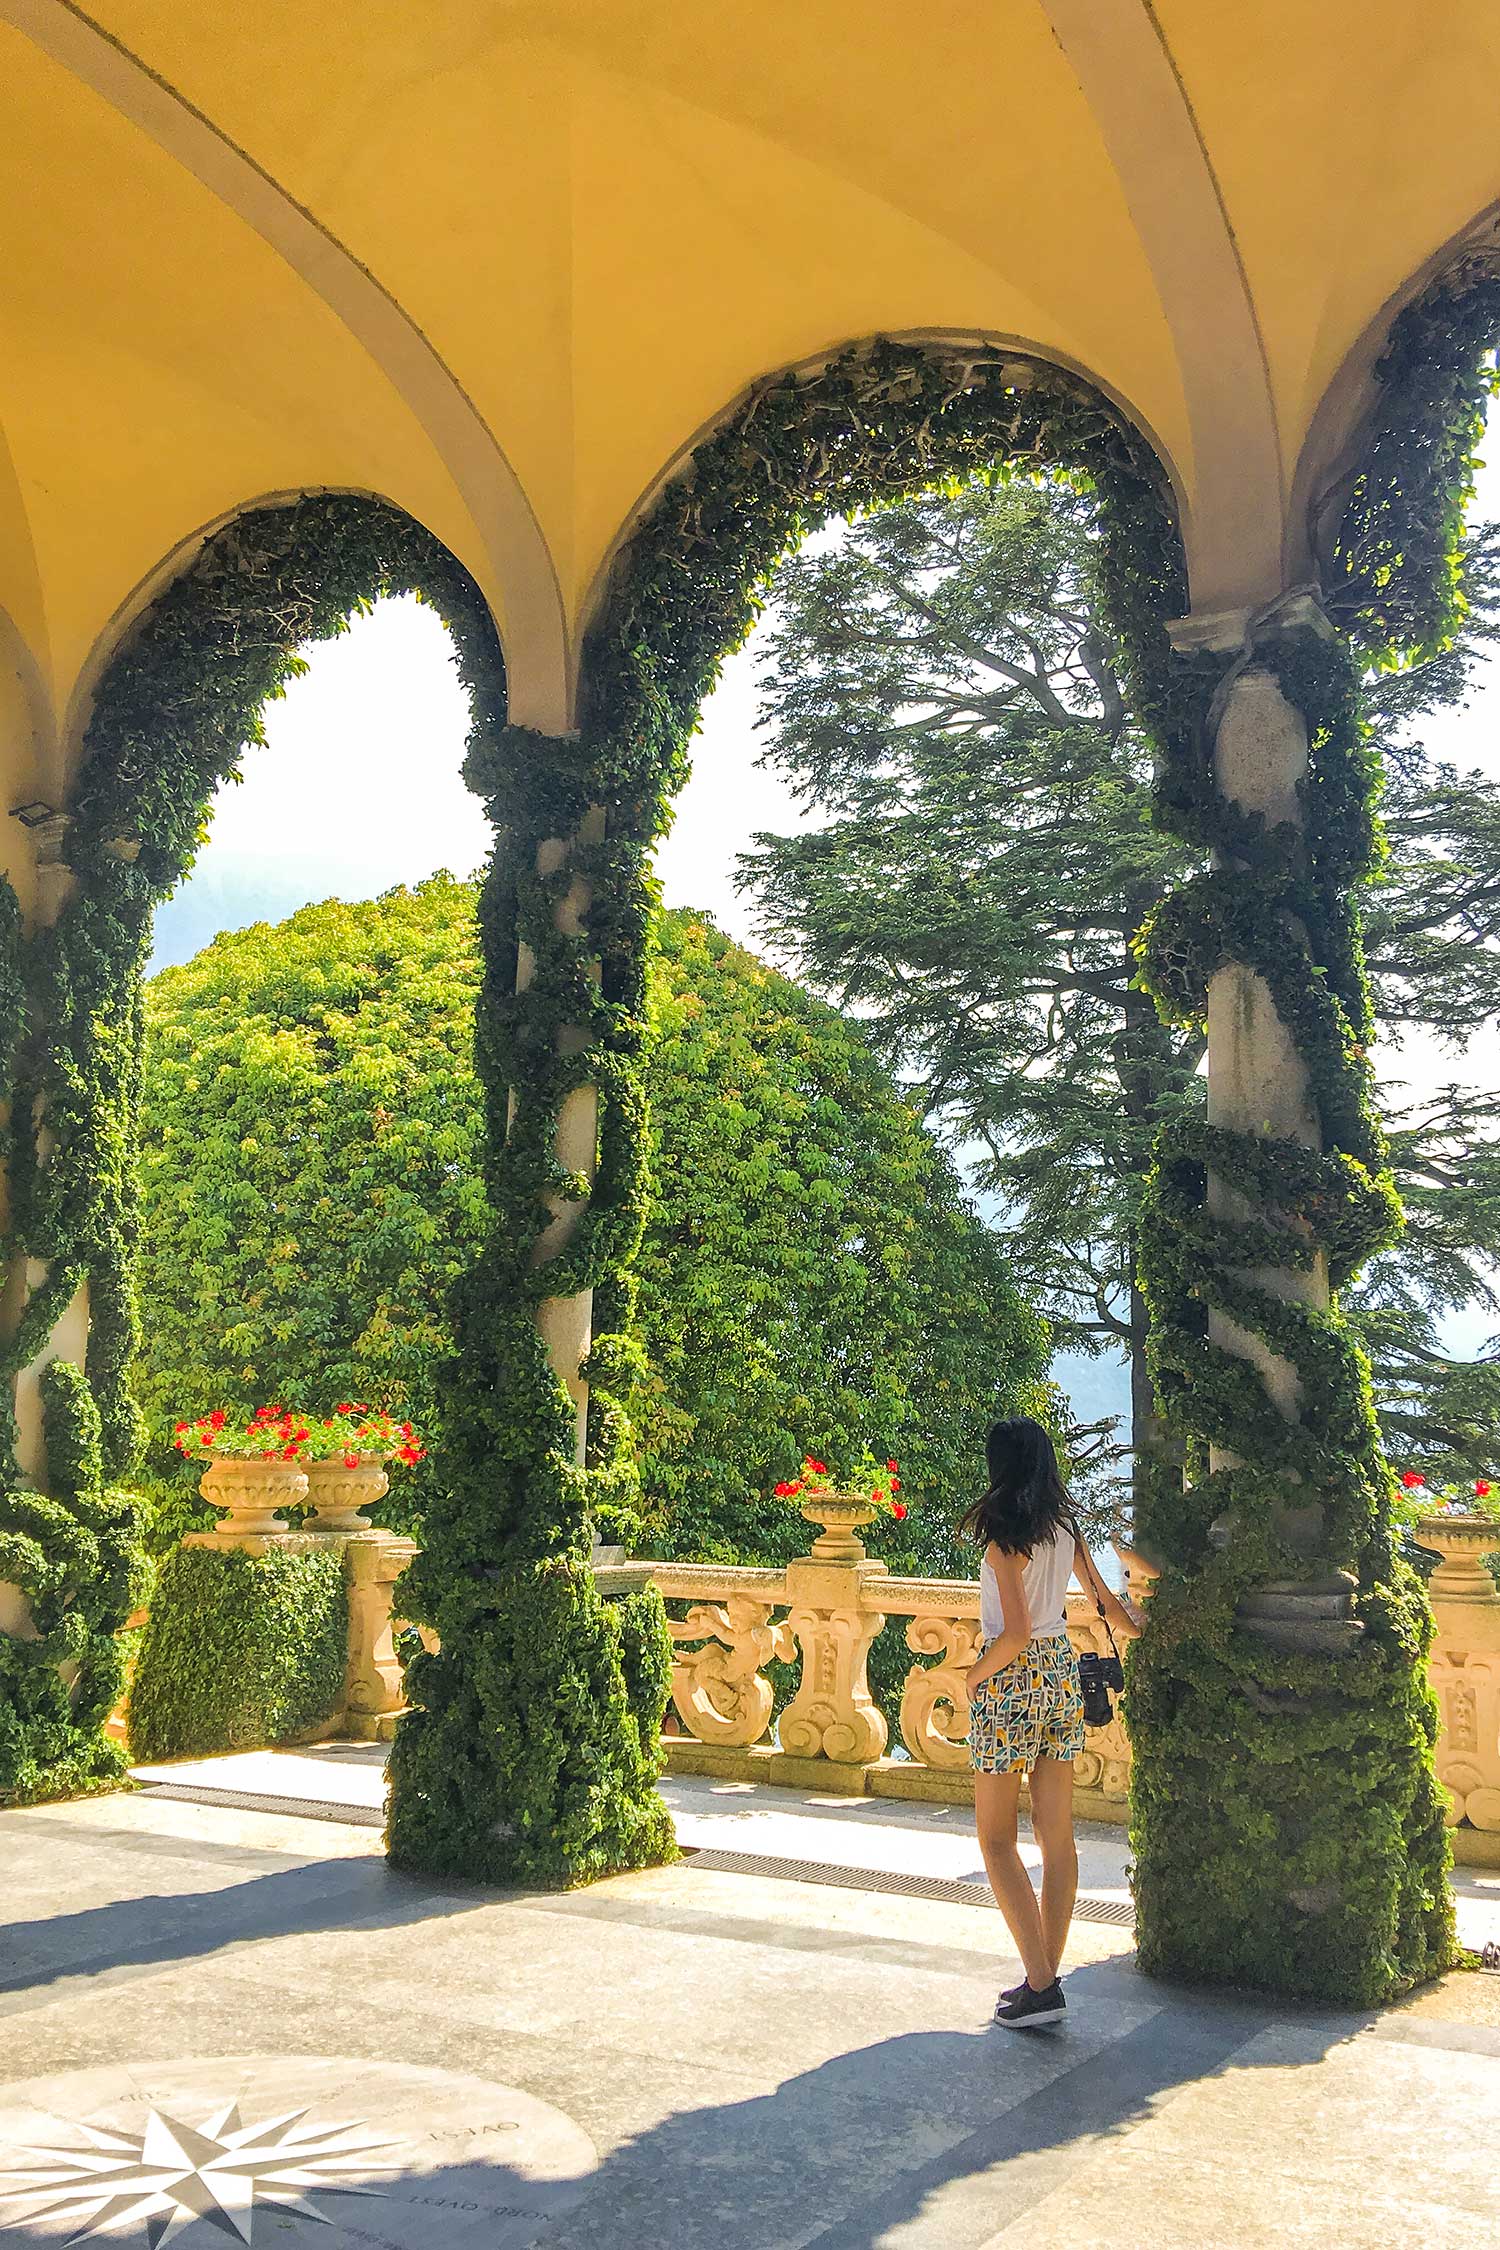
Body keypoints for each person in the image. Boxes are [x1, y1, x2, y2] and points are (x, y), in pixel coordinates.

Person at [959, 1416, 1143, 2028]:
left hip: (1011, 1680)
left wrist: (975, 1675)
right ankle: (1044, 1983)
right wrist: (1154, 1627)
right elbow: (1107, 1604)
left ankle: (1041, 1983)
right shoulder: (1067, 1528)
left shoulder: (1003, 1537)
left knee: (994, 1837)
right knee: (1055, 1834)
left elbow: (1012, 1632)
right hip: (1060, 1673)